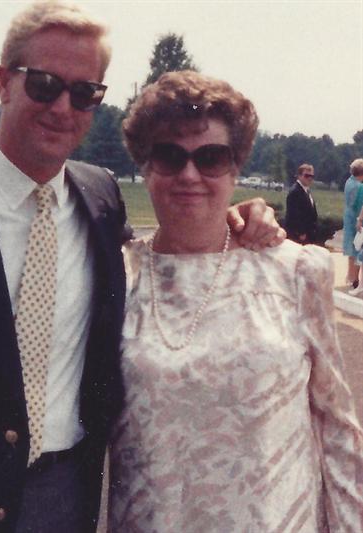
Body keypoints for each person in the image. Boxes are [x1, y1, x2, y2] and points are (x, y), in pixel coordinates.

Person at [0, 3, 283, 532]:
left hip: (65, 499)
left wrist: (237, 217)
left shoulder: (100, 197)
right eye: (44, 85)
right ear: (4, 82)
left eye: (85, 92)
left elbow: (172, 244)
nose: (63, 107)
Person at [108, 70, 363, 532]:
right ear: (145, 166)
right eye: (169, 156)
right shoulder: (114, 278)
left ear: (235, 168)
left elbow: (338, 427)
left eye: (211, 158)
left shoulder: (294, 272)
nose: (189, 174)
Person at [285, 163, 318, 244]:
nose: (309, 178)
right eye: (306, 175)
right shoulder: (295, 192)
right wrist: (300, 232)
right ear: (299, 176)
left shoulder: (306, 190)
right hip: (298, 235)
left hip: (308, 234)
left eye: (312, 176)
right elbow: (293, 214)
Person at [343, 158, 363, 290]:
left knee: (351, 248)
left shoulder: (348, 182)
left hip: (348, 217)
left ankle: (350, 276)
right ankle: (355, 278)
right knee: (358, 248)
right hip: (357, 219)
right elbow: (361, 205)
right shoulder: (360, 187)